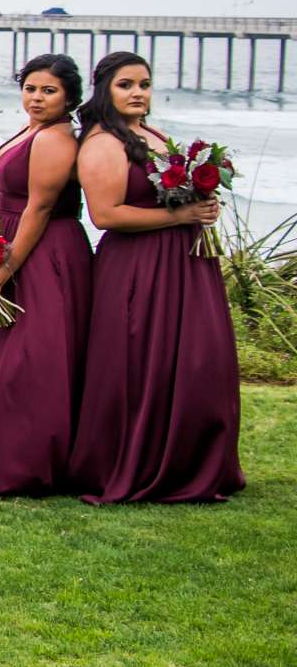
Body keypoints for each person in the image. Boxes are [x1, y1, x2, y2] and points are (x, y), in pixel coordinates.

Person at [66, 52, 243, 505]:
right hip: (138, 268)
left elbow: (169, 190)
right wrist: (181, 213)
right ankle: (137, 461)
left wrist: (203, 205)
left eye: (144, 84)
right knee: (143, 364)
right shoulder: (103, 143)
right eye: (126, 84)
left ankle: (189, 459)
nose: (138, 93)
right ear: (104, 88)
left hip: (183, 263)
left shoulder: (148, 134)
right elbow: (106, 215)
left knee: (198, 362)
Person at [0, 55, 91, 497]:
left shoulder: (55, 138)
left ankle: (27, 464)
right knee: (10, 356)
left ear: (69, 96)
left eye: (48, 91)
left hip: (44, 250)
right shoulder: (32, 130)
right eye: (31, 88)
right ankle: (5, 454)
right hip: (15, 241)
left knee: (32, 359)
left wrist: (9, 263)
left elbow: (40, 206)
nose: (36, 98)